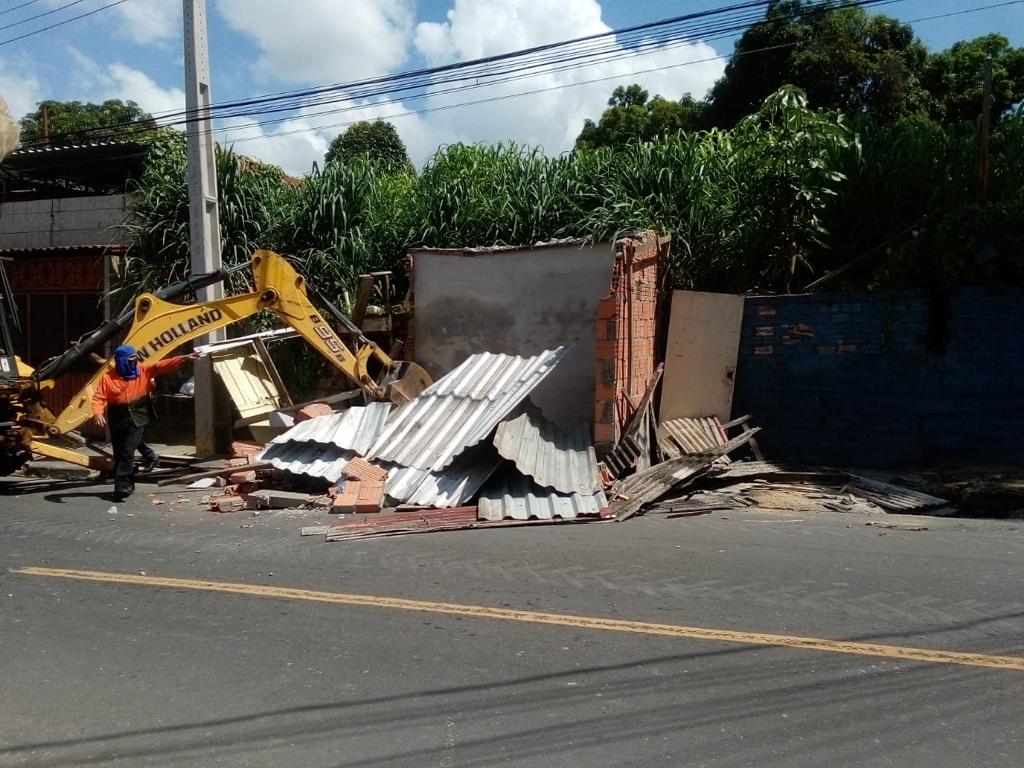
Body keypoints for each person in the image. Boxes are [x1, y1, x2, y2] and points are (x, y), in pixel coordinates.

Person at [91, 345, 199, 500]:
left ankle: (120, 485)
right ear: (121, 361)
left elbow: (160, 366)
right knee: (120, 453)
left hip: (139, 416)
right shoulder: (108, 377)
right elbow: (98, 398)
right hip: (117, 419)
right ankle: (132, 479)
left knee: (127, 452)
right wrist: (97, 413)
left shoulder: (143, 371)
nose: (134, 362)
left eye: (136, 359)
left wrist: (183, 358)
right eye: (131, 360)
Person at [89, 350, 160, 474]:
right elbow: (99, 360)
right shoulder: (117, 366)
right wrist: (85, 351)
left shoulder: (140, 367)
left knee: (132, 438)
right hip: (125, 410)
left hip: (138, 407)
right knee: (129, 438)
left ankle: (150, 457)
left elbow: (152, 385)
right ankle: (148, 458)